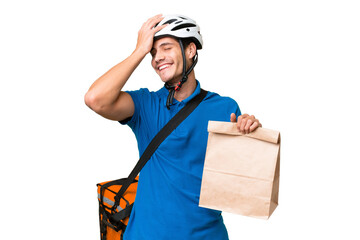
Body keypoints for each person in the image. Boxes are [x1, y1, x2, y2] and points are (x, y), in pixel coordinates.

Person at [85, 14, 262, 240]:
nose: (157, 58)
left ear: (190, 50)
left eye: (166, 48)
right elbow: (95, 99)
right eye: (153, 52)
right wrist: (139, 50)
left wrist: (251, 135)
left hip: (206, 235)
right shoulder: (145, 105)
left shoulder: (224, 108)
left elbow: (240, 183)